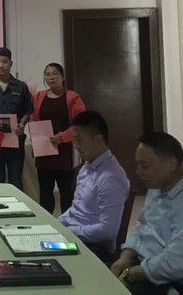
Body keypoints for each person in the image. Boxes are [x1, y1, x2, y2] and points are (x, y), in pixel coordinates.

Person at [111, 132, 183, 295]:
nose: (138, 172)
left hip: (177, 285)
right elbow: (142, 224)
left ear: (171, 164)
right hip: (145, 268)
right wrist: (126, 256)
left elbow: (173, 265)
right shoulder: (158, 186)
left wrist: (130, 274)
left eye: (144, 166)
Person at [57, 110, 129, 261]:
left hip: (94, 248)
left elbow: (107, 231)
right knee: (35, 244)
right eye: (74, 141)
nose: (76, 146)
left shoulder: (110, 179)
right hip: (75, 239)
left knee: (41, 255)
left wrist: (71, 231)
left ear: (98, 140)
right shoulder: (87, 167)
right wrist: (57, 224)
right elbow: (76, 209)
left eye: (79, 140)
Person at [29, 62, 85, 214]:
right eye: (48, 74)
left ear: (63, 77)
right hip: (44, 151)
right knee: (45, 192)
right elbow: (33, 118)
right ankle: (47, 221)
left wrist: (62, 137)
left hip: (64, 150)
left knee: (66, 192)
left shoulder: (73, 97)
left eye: (55, 74)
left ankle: (68, 223)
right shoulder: (39, 96)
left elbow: (80, 123)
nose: (51, 77)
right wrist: (36, 137)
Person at [0, 47, 32, 191]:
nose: (1, 65)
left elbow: (27, 111)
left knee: (16, 181)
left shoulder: (21, 87)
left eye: (5, 62)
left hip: (15, 140)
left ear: (11, 63)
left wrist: (22, 124)